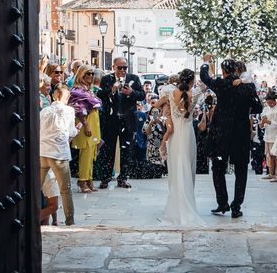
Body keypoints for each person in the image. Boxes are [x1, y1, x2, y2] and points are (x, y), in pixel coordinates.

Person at [201, 54, 263, 218]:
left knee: (218, 167)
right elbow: (258, 107)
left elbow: (204, 76)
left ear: (223, 71)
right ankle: (236, 206)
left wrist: (206, 62)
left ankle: (223, 203)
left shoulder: (221, 84)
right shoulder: (248, 87)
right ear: (236, 70)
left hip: (221, 134)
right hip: (240, 134)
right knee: (241, 170)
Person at [155, 69, 204, 225]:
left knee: (176, 168)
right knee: (187, 168)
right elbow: (206, 84)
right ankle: (188, 203)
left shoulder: (170, 93)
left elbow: (156, 105)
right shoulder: (195, 93)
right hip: (188, 134)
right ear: (191, 81)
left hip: (175, 136)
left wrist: (166, 116)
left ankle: (176, 204)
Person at [97, 57, 146, 189]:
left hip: (128, 120)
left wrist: (131, 92)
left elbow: (142, 95)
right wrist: (112, 90)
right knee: (108, 150)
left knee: (127, 150)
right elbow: (100, 95)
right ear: (114, 67)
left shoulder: (134, 78)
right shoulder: (107, 79)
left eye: (125, 67)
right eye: (120, 68)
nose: (123, 70)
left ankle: (123, 178)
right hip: (110, 120)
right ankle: (105, 178)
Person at [39, 83, 78, 226]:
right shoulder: (69, 111)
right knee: (65, 190)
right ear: (65, 96)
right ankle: (70, 220)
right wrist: (77, 130)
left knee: (37, 187)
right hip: (59, 154)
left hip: (43, 152)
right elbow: (71, 132)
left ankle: (29, 213)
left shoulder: (44, 111)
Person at [69, 65, 103, 193]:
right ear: (81, 75)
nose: (90, 76)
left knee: (92, 152)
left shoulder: (89, 90)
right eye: (87, 74)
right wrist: (86, 125)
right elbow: (80, 110)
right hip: (85, 123)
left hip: (94, 121)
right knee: (86, 153)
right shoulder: (77, 90)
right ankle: (82, 180)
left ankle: (89, 179)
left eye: (92, 74)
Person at [260, 90, 277, 181]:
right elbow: (263, 121)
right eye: (268, 102)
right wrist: (263, 123)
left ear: (275, 100)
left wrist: (269, 122)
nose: (270, 104)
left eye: (271, 102)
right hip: (268, 134)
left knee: (275, 156)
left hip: (276, 135)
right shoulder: (266, 109)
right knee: (268, 155)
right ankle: (271, 173)